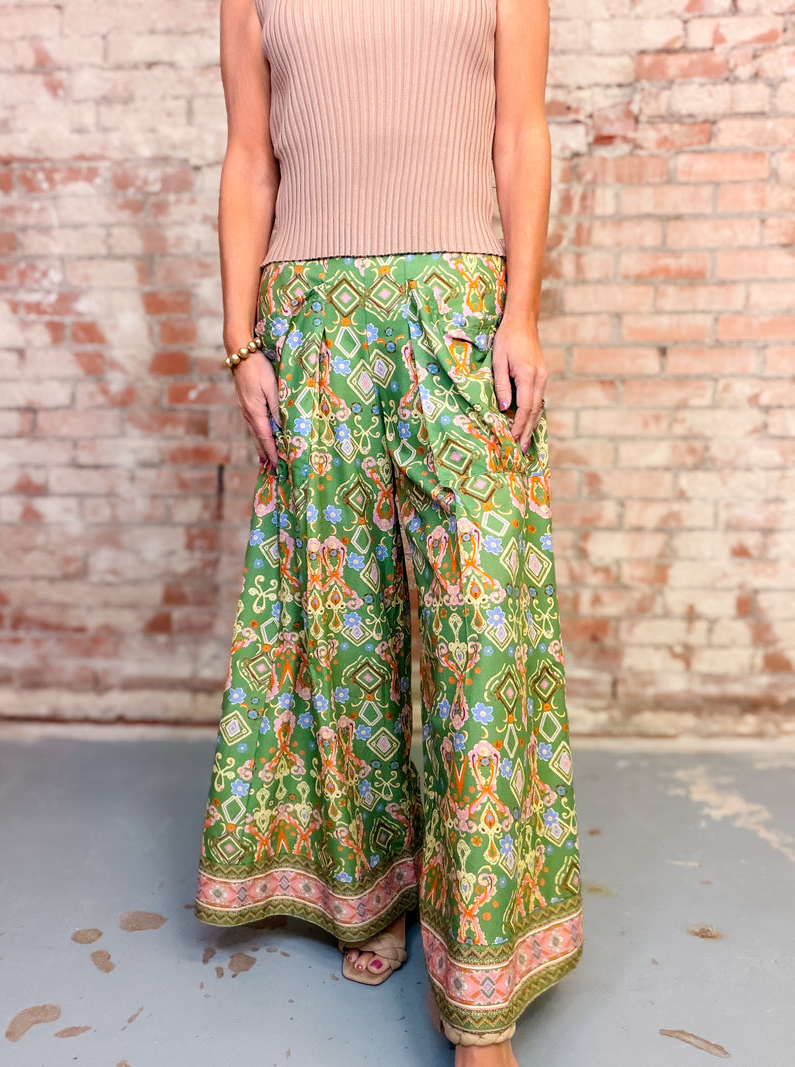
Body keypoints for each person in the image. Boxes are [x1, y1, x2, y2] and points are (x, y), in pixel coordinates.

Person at [193, 0, 584, 1062]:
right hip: (311, 322)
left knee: (479, 636)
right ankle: (369, 889)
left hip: (457, 314)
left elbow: (519, 133)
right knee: (344, 632)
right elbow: (249, 159)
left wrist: (520, 312)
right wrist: (241, 342)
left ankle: (480, 983)